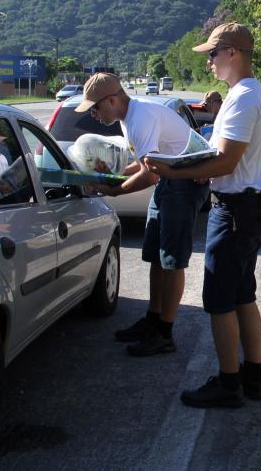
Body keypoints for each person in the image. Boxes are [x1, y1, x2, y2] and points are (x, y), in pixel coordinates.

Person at [145, 22, 261, 408]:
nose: (210, 64)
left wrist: (173, 171)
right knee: (243, 296)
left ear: (233, 53)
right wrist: (202, 164)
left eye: (213, 55)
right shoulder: (252, 95)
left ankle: (229, 383)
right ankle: (253, 377)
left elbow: (227, 160)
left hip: (234, 210)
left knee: (220, 301)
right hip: (248, 207)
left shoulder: (241, 99)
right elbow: (230, 159)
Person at [76, 72, 210, 358]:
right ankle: (153, 319)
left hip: (184, 184)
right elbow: (144, 165)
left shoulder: (140, 118)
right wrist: (110, 176)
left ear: (112, 99)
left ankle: (165, 334)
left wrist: (114, 191)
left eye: (95, 108)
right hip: (168, 181)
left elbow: (149, 175)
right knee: (154, 255)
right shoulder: (128, 118)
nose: (93, 115)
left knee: (172, 260)